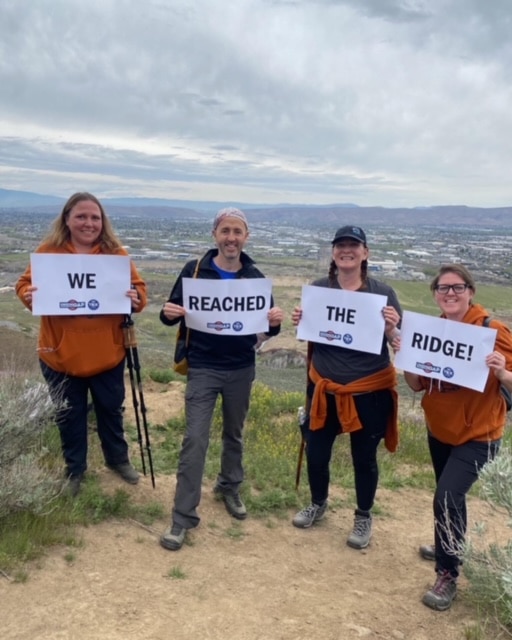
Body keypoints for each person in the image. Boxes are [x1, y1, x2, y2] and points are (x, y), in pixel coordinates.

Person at [158, 207, 283, 551]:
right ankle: (182, 517)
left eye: (237, 231)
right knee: (194, 440)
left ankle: (229, 487)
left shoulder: (255, 276)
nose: (231, 237)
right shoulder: (195, 270)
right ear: (215, 234)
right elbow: (170, 313)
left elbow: (269, 328)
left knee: (234, 433)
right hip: (202, 367)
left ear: (246, 237)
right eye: (225, 231)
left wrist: (274, 321)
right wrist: (168, 312)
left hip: (241, 367)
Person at [16, 192, 147, 496]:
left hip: (108, 355)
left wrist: (136, 298)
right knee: (68, 415)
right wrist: (28, 296)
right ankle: (74, 470)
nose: (89, 223)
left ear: (103, 222)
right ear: (67, 219)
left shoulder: (116, 255)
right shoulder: (48, 252)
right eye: (81, 216)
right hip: (59, 356)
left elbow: (139, 292)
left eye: (95, 218)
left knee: (111, 411)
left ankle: (118, 460)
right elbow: (24, 285)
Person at [400, 264, 512, 611]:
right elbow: (417, 385)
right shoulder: (432, 330)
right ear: (435, 294)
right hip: (441, 430)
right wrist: (407, 359)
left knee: (446, 497)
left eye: (457, 287)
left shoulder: (492, 330)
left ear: (471, 291)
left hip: (479, 434)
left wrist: (501, 370)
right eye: (443, 288)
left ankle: (447, 572)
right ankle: (449, 541)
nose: (450, 293)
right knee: (448, 498)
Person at [292, 225, 401, 550]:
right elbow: (311, 333)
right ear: (334, 253)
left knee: (364, 458)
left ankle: (363, 515)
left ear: (365, 253)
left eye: (354, 245)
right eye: (340, 245)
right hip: (323, 389)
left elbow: (399, 340)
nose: (346, 250)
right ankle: (318, 502)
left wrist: (392, 327)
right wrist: (302, 320)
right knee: (316, 452)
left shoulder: (383, 293)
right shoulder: (319, 288)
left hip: (370, 391)